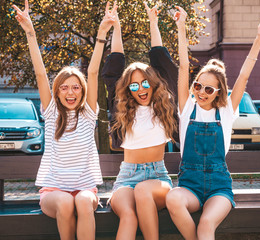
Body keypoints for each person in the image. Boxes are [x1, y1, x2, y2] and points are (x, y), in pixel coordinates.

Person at [166, 7, 260, 240]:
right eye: (197, 86)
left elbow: (243, 76)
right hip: (189, 187)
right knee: (172, 197)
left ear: (218, 92)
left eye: (208, 89)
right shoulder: (187, 109)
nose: (201, 92)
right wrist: (181, 26)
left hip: (218, 188)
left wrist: (259, 38)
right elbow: (184, 66)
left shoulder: (226, 112)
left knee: (206, 224)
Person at [13, 1, 117, 239]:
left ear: (82, 90)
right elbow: (40, 72)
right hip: (53, 192)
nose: (71, 93)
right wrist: (30, 31)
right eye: (65, 88)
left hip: (85, 190)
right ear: (57, 91)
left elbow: (92, 71)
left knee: (81, 201)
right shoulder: (51, 112)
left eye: (76, 88)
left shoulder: (89, 112)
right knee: (66, 203)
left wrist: (102, 34)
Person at [101, 2, 178, 240]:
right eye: (134, 85)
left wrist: (154, 23)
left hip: (157, 177)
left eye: (145, 83)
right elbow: (114, 69)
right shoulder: (122, 110)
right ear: (128, 89)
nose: (140, 88)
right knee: (129, 215)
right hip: (126, 176)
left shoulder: (163, 107)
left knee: (144, 191)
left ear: (154, 84)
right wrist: (116, 27)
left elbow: (164, 65)